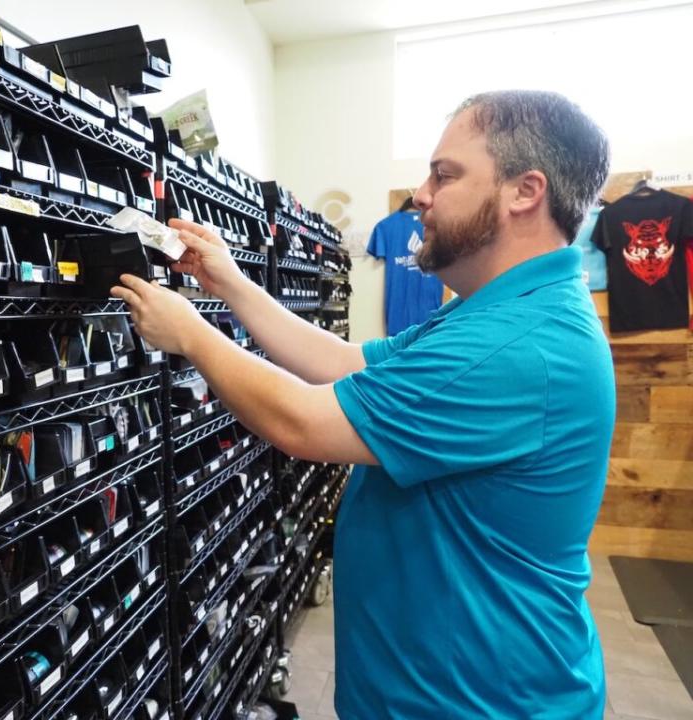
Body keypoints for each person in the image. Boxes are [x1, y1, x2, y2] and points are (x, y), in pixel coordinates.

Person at [111, 89, 614, 719]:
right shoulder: (498, 310)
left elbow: (302, 421)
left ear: (525, 191)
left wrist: (189, 333)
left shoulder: (517, 345)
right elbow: (347, 364)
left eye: (444, 174)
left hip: (477, 701)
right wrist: (231, 284)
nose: (420, 196)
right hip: (433, 687)